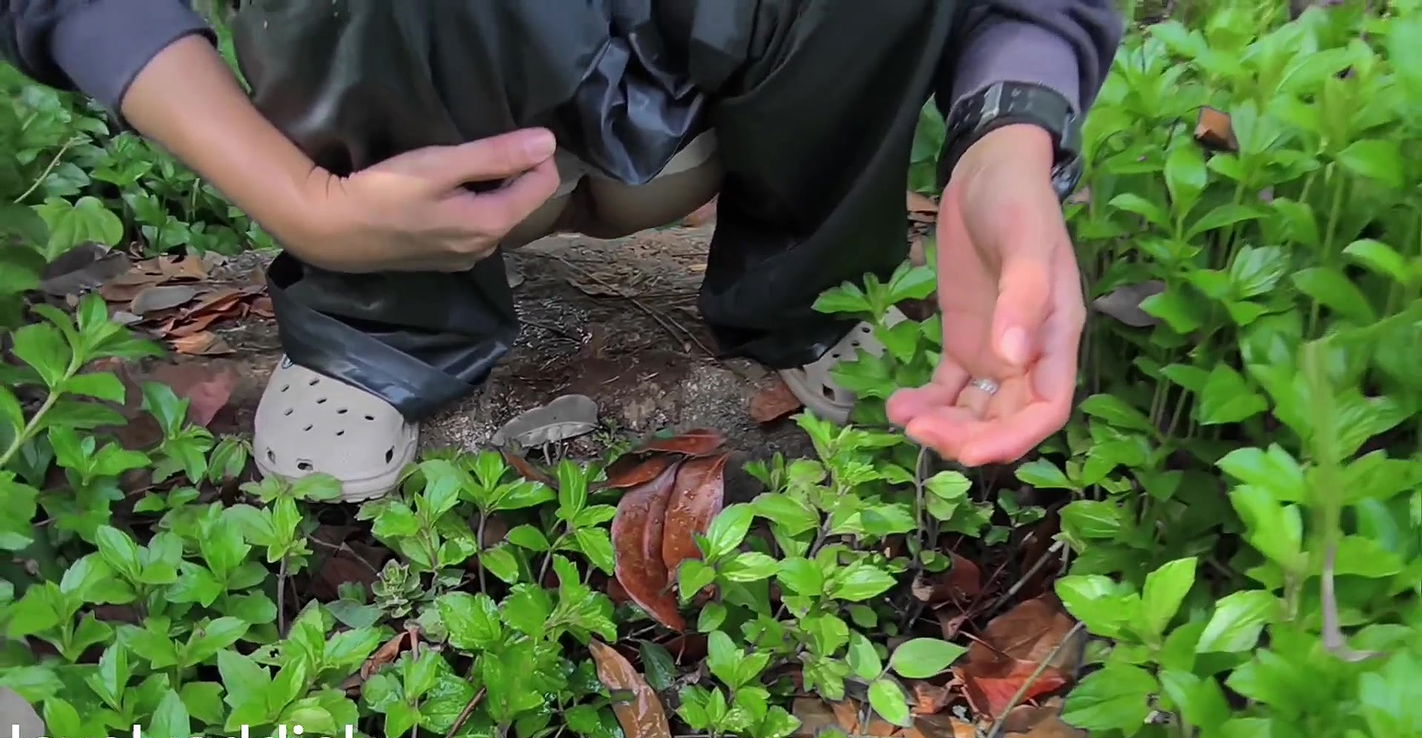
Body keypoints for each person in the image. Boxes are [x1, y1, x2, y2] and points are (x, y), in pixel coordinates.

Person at [1, 1, 1123, 502]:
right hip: (424, 105)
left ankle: (814, 290)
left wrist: (1007, 136)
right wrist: (300, 200)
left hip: (731, 82)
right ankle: (379, 321)